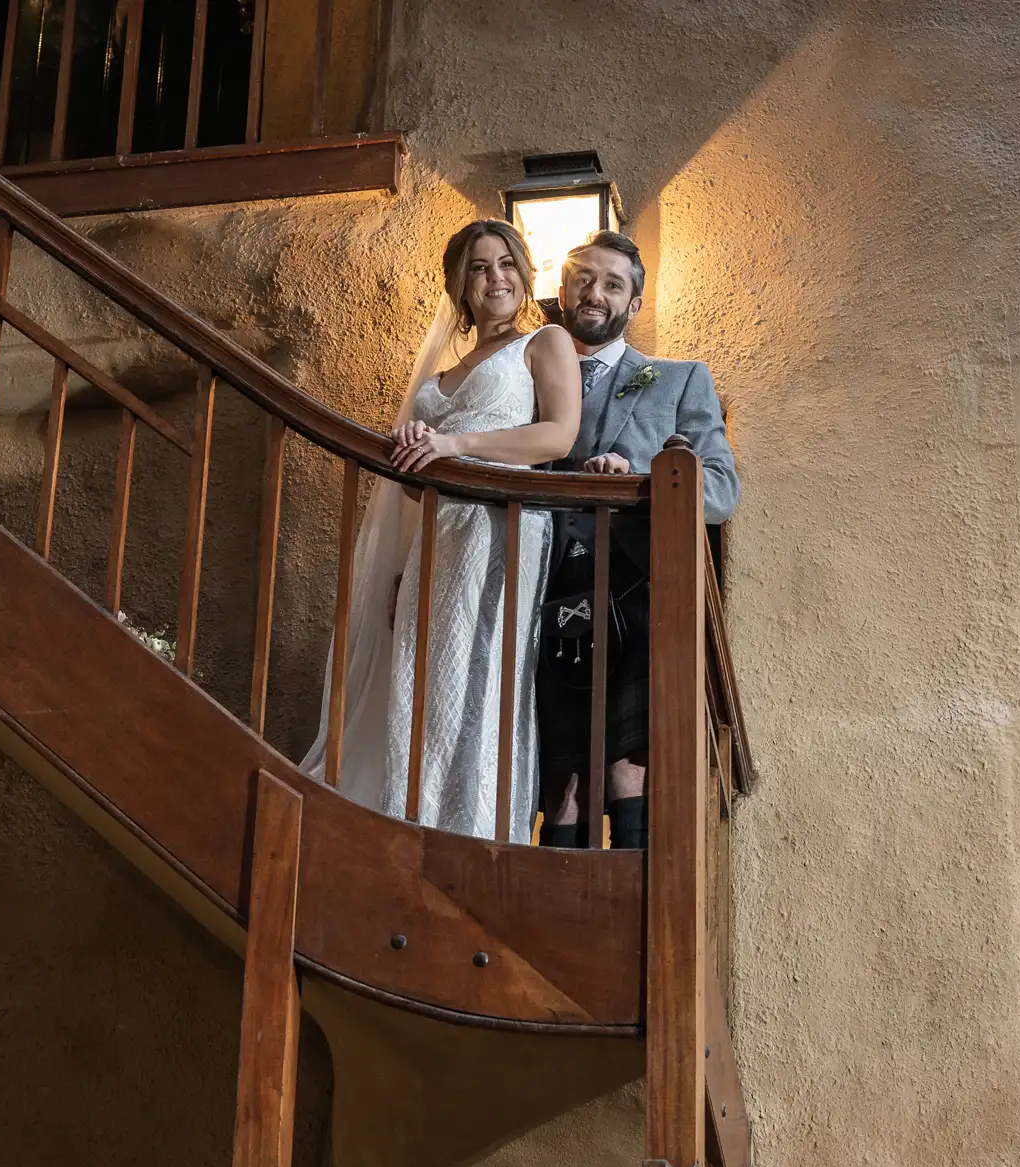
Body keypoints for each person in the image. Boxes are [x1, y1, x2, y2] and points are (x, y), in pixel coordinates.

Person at [300, 220, 583, 838]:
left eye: (505, 264)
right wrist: (414, 451)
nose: (495, 279)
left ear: (525, 274)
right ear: (461, 285)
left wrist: (453, 443)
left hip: (500, 529)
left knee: (481, 675)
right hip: (438, 535)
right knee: (422, 680)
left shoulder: (545, 343)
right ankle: (411, 819)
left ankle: (472, 830)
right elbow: (411, 482)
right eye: (479, 268)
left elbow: (556, 436)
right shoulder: (441, 375)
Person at [535, 231, 740, 850]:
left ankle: (638, 904)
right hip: (538, 592)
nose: (594, 293)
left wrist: (649, 482)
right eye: (583, 278)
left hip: (635, 592)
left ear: (634, 303)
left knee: (631, 766)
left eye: (613, 284)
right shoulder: (523, 374)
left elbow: (722, 489)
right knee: (557, 777)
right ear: (563, 288)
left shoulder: (678, 379)